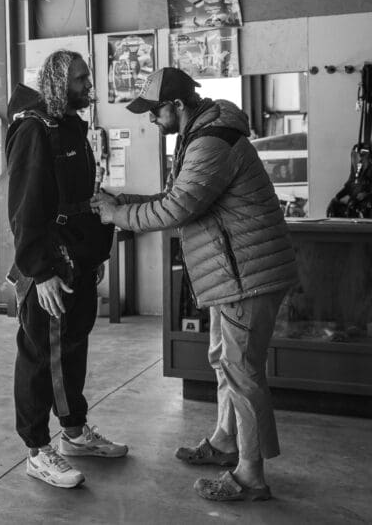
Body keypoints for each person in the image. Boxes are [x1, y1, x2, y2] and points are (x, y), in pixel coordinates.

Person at [91, 67, 298, 502]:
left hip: (246, 276)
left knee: (243, 375)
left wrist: (116, 216)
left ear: (178, 106)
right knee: (224, 360)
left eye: (153, 110)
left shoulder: (210, 142)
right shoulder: (201, 135)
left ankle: (251, 476)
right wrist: (125, 202)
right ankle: (226, 442)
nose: (149, 118)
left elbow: (177, 208)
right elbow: (177, 196)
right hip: (235, 273)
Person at [6, 49, 127, 490]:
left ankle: (74, 431)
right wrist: (41, 272)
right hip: (51, 265)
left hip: (79, 258)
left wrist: (92, 256)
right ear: (58, 81)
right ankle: (37, 450)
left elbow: (77, 201)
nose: (88, 84)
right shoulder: (34, 131)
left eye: (87, 76)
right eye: (79, 79)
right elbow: (24, 208)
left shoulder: (71, 126)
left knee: (72, 348)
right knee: (42, 356)